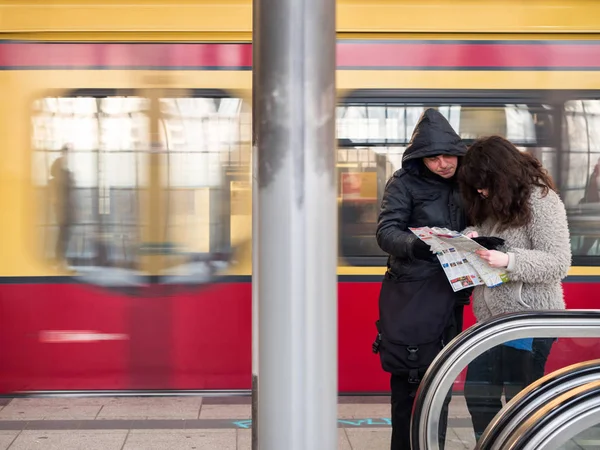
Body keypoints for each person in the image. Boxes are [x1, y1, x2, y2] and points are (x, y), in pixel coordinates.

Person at [376, 108, 479, 450]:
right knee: (409, 380)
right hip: (414, 295)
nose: (443, 164)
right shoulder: (404, 182)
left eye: (448, 155)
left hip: (452, 294)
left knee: (442, 383)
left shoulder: (469, 181)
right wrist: (420, 246)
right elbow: (386, 231)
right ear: (420, 158)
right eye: (433, 158)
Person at [458, 135, 571, 442]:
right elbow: (487, 237)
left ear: (501, 175)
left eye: (484, 184)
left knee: (522, 400)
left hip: (529, 321)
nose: (480, 192)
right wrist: (471, 239)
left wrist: (508, 260)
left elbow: (559, 262)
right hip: (494, 322)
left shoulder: (542, 201)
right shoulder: (494, 202)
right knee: (478, 395)